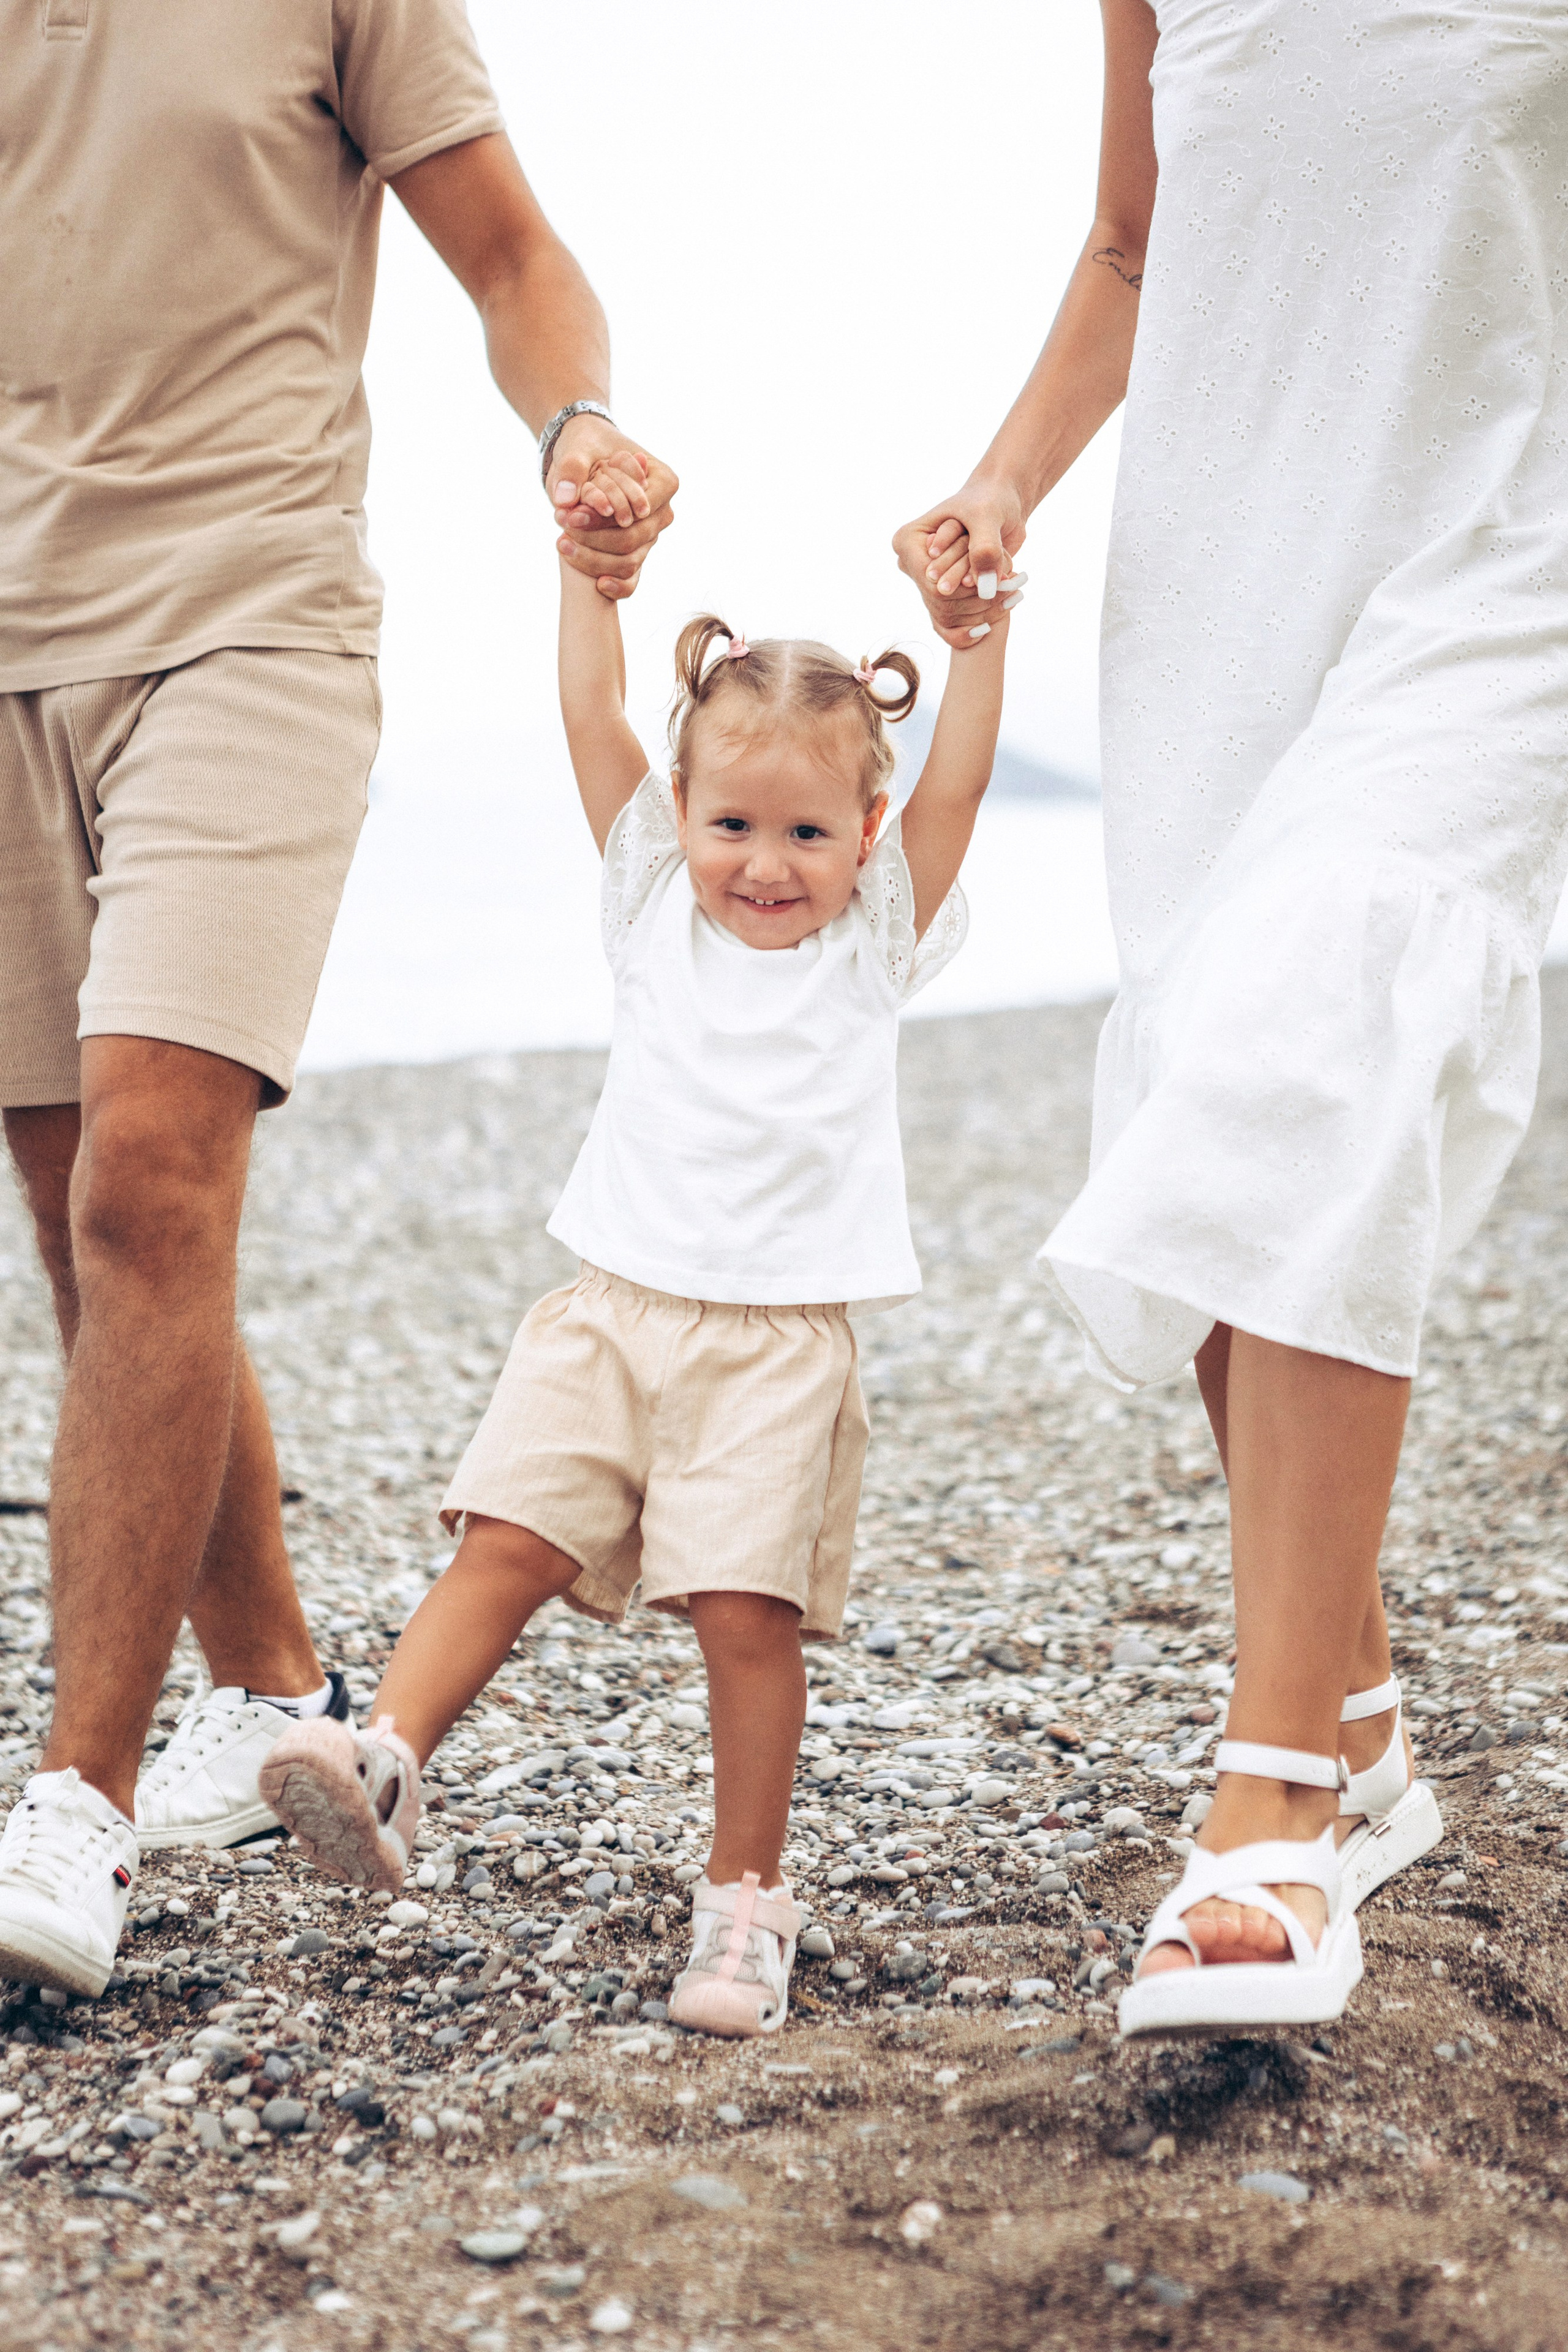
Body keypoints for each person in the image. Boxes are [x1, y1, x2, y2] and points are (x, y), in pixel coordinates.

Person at [895, 0, 1568, 2036]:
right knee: (1218, 1085)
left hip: (1500, 537)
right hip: (1218, 580)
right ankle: (1352, 1712)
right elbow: (1132, 242)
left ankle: (1273, 1798)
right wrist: (1005, 482)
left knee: (1324, 1001)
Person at [0, 0, 676, 1997]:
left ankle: (74, 1807)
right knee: (94, 1229)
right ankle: (273, 1696)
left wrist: (577, 423)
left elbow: (512, 256)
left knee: (149, 1178)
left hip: (248, 612)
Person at [256, 551, 1016, 2037]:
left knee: (744, 1614)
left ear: (863, 834)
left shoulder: (873, 943)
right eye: (730, 822)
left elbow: (960, 789)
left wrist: (974, 642)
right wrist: (581, 576)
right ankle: (385, 1757)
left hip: (774, 1345)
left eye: (805, 830)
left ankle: (744, 1902)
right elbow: (585, 705)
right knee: (504, 1543)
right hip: (606, 1310)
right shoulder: (648, 906)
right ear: (678, 813)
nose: (763, 861)